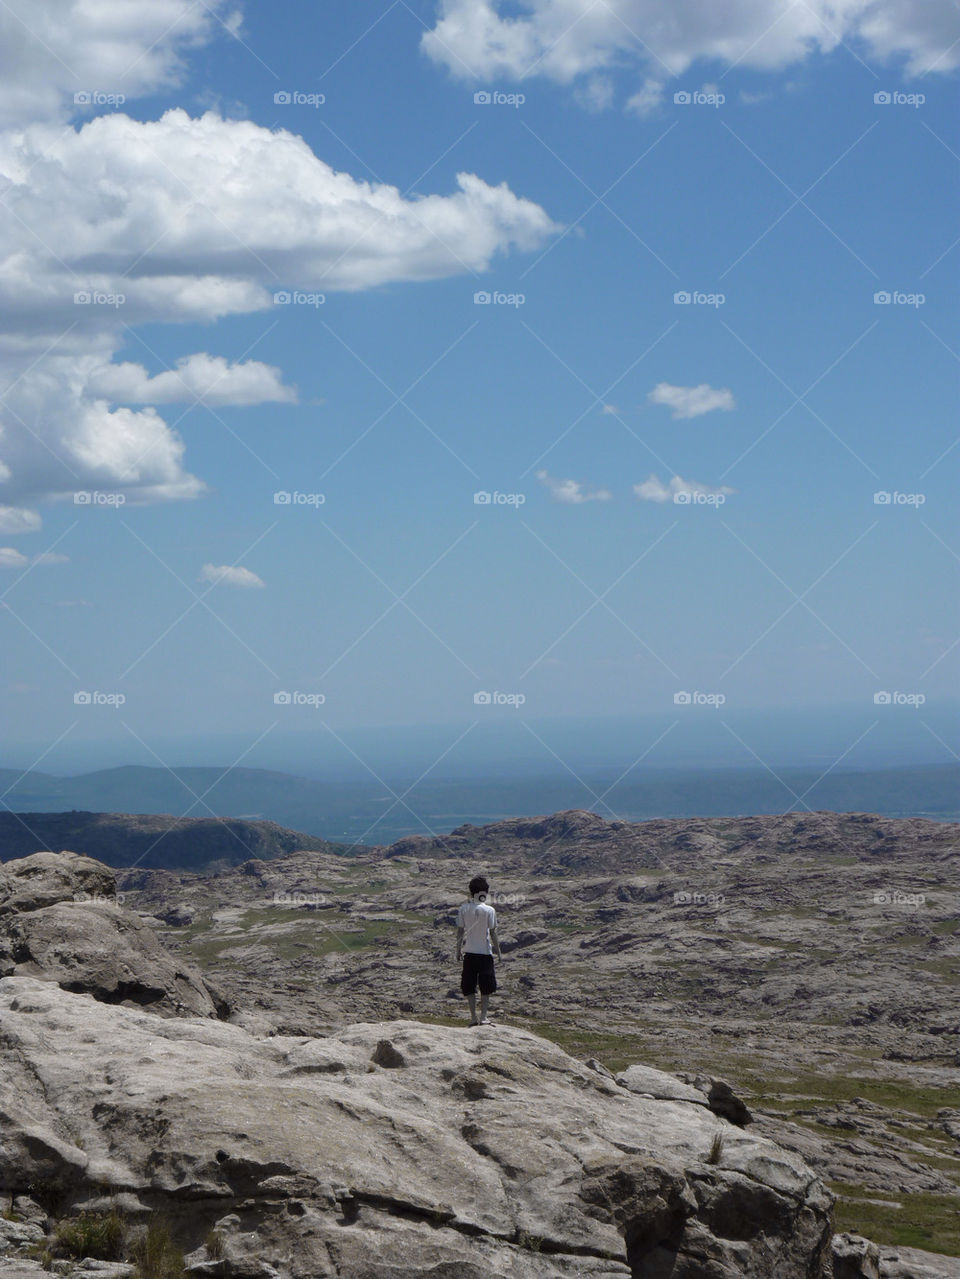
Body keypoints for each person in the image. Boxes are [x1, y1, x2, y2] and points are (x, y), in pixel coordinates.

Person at [455, 874, 501, 1026]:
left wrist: (457, 949)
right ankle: (483, 1017)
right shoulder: (490, 910)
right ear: (484, 893)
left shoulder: (463, 908)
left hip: (469, 953)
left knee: (469, 985)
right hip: (485, 953)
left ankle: (473, 1017)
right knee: (486, 986)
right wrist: (499, 952)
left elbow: (460, 931)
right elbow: (493, 933)